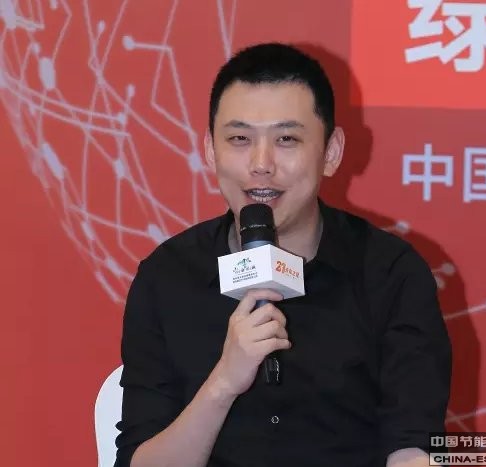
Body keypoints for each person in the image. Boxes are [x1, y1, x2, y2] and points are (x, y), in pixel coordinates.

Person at [114, 42, 451, 467]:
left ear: (331, 152)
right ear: (210, 150)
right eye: (239, 139)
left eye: (286, 139)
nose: (261, 164)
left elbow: (415, 447)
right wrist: (223, 383)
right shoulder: (168, 277)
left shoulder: (391, 274)